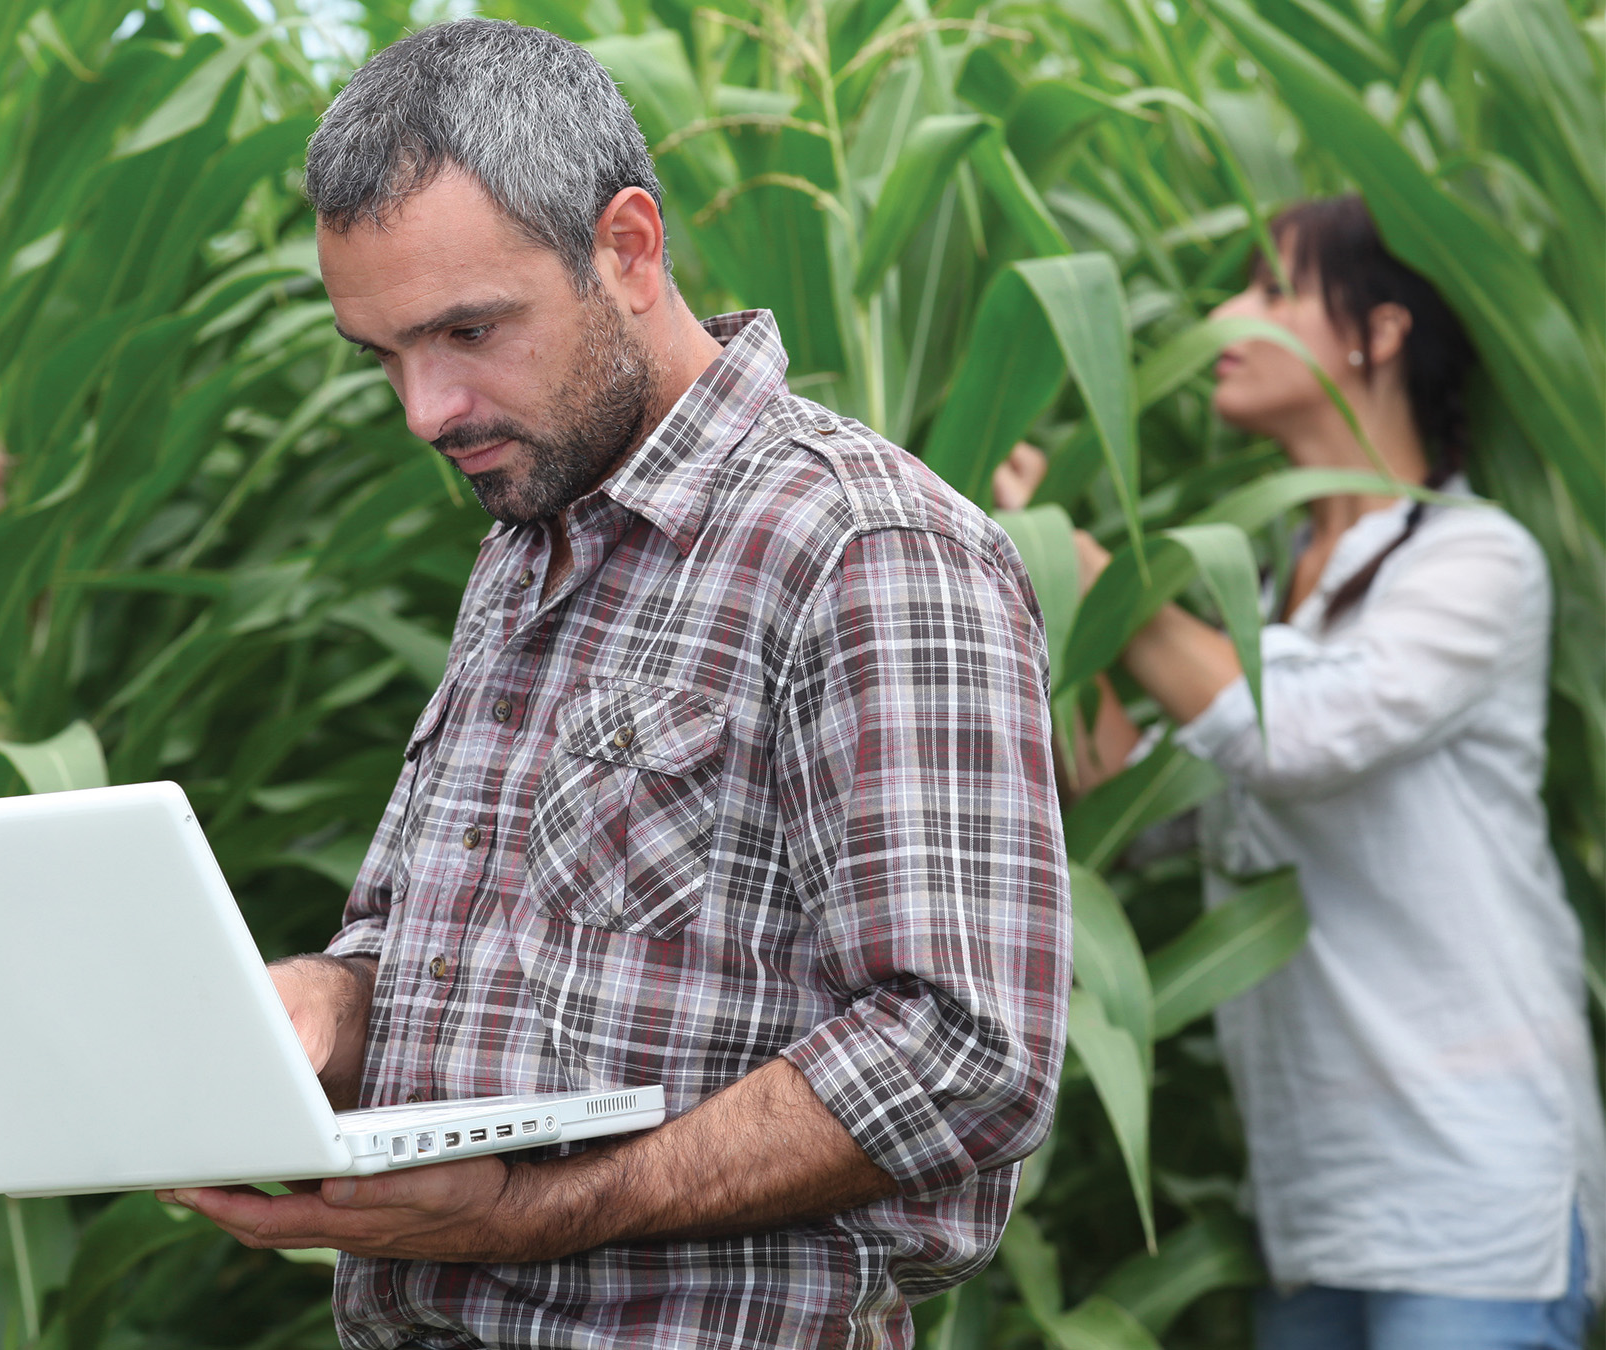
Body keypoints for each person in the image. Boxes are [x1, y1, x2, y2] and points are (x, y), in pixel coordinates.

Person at [157, 19, 1070, 1349]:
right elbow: (466, 955)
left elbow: (959, 1055)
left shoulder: (862, 548)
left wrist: (541, 1210)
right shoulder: (530, 536)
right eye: (387, 355)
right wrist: (322, 1006)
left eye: (467, 329)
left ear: (627, 248)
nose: (427, 407)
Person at [994, 195, 1604, 1349]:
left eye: (1272, 291)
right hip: (1317, 1196)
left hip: (1471, 1193)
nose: (1225, 315)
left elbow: (1290, 736)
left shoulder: (1476, 565)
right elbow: (1147, 808)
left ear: (1375, 334)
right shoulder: (1272, 594)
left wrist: (1105, 575)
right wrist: (1051, 590)